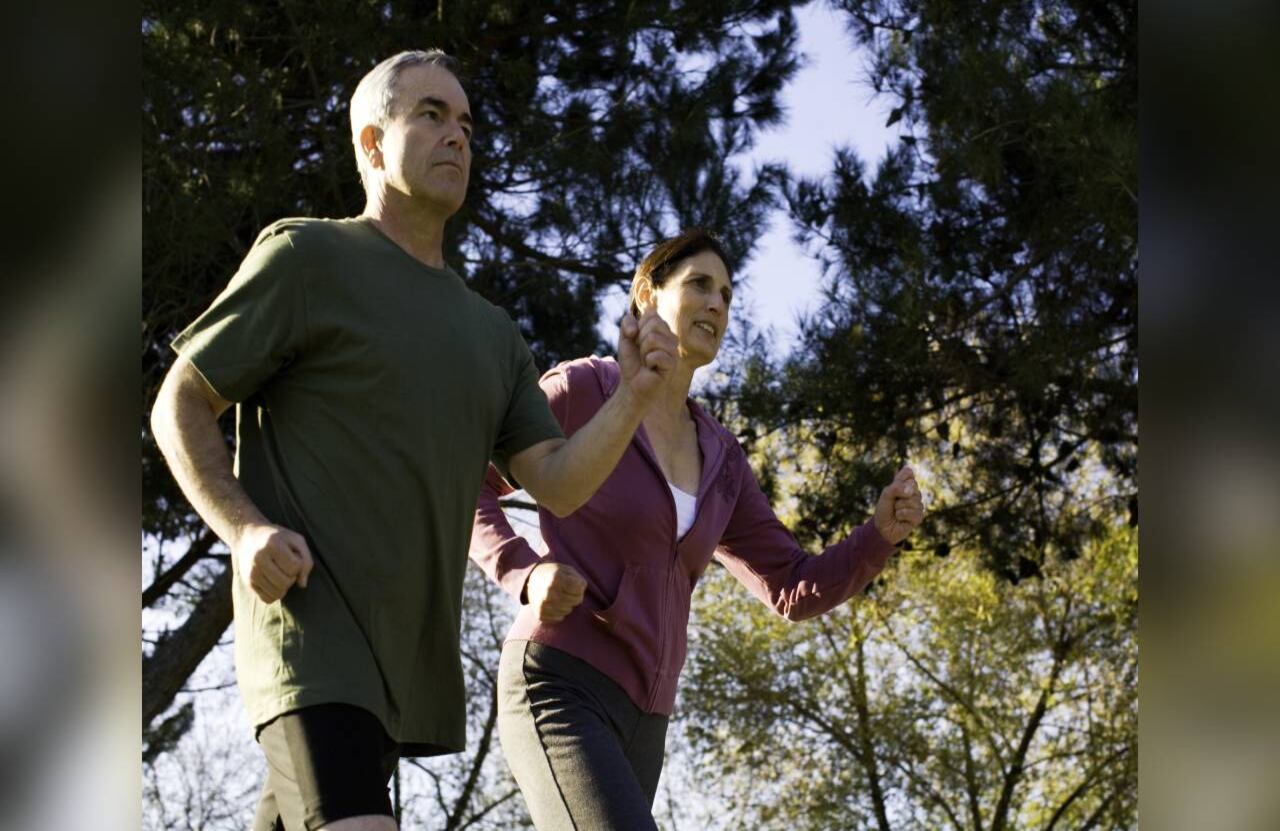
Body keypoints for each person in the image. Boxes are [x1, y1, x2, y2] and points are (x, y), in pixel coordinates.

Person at [149, 50, 679, 831]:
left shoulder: (492, 334)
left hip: (399, 672)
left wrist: (633, 397)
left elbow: (559, 482)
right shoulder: (307, 257)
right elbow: (179, 404)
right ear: (371, 144)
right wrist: (244, 527)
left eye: (465, 122)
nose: (457, 136)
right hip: (310, 639)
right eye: (431, 114)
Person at [470, 228, 926, 830]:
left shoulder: (722, 459)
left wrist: (879, 536)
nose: (717, 304)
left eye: (728, 296)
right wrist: (525, 574)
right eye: (700, 285)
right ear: (647, 293)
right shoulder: (583, 389)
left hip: (647, 719)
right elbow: (467, 482)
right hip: (560, 682)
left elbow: (791, 585)